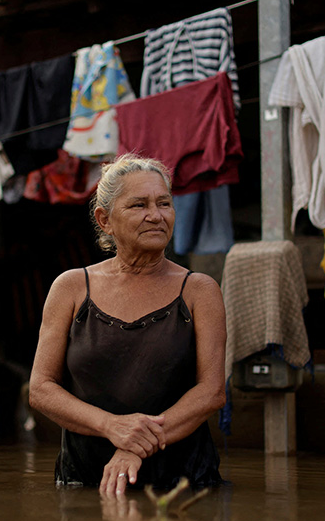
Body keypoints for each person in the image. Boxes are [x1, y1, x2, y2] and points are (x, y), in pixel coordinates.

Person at [29, 153, 226, 497]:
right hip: (85, 483)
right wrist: (112, 427)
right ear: (105, 220)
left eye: (164, 203)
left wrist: (133, 445)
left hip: (183, 485)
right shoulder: (71, 288)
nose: (156, 215)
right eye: (138, 205)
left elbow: (211, 392)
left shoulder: (199, 290)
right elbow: (42, 389)